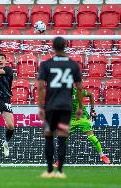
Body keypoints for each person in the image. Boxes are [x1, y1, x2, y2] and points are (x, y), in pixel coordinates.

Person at [37, 37, 83, 179]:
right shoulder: (73, 65)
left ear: (53, 47)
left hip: (51, 106)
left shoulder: (46, 64)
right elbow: (80, 88)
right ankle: (61, 172)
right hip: (66, 107)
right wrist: (80, 107)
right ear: (65, 46)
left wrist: (40, 107)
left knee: (49, 137)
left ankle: (50, 171)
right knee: (62, 137)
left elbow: (40, 86)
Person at [54, 88, 110, 167]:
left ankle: (102, 156)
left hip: (82, 118)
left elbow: (91, 95)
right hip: (71, 119)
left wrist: (92, 110)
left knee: (91, 137)